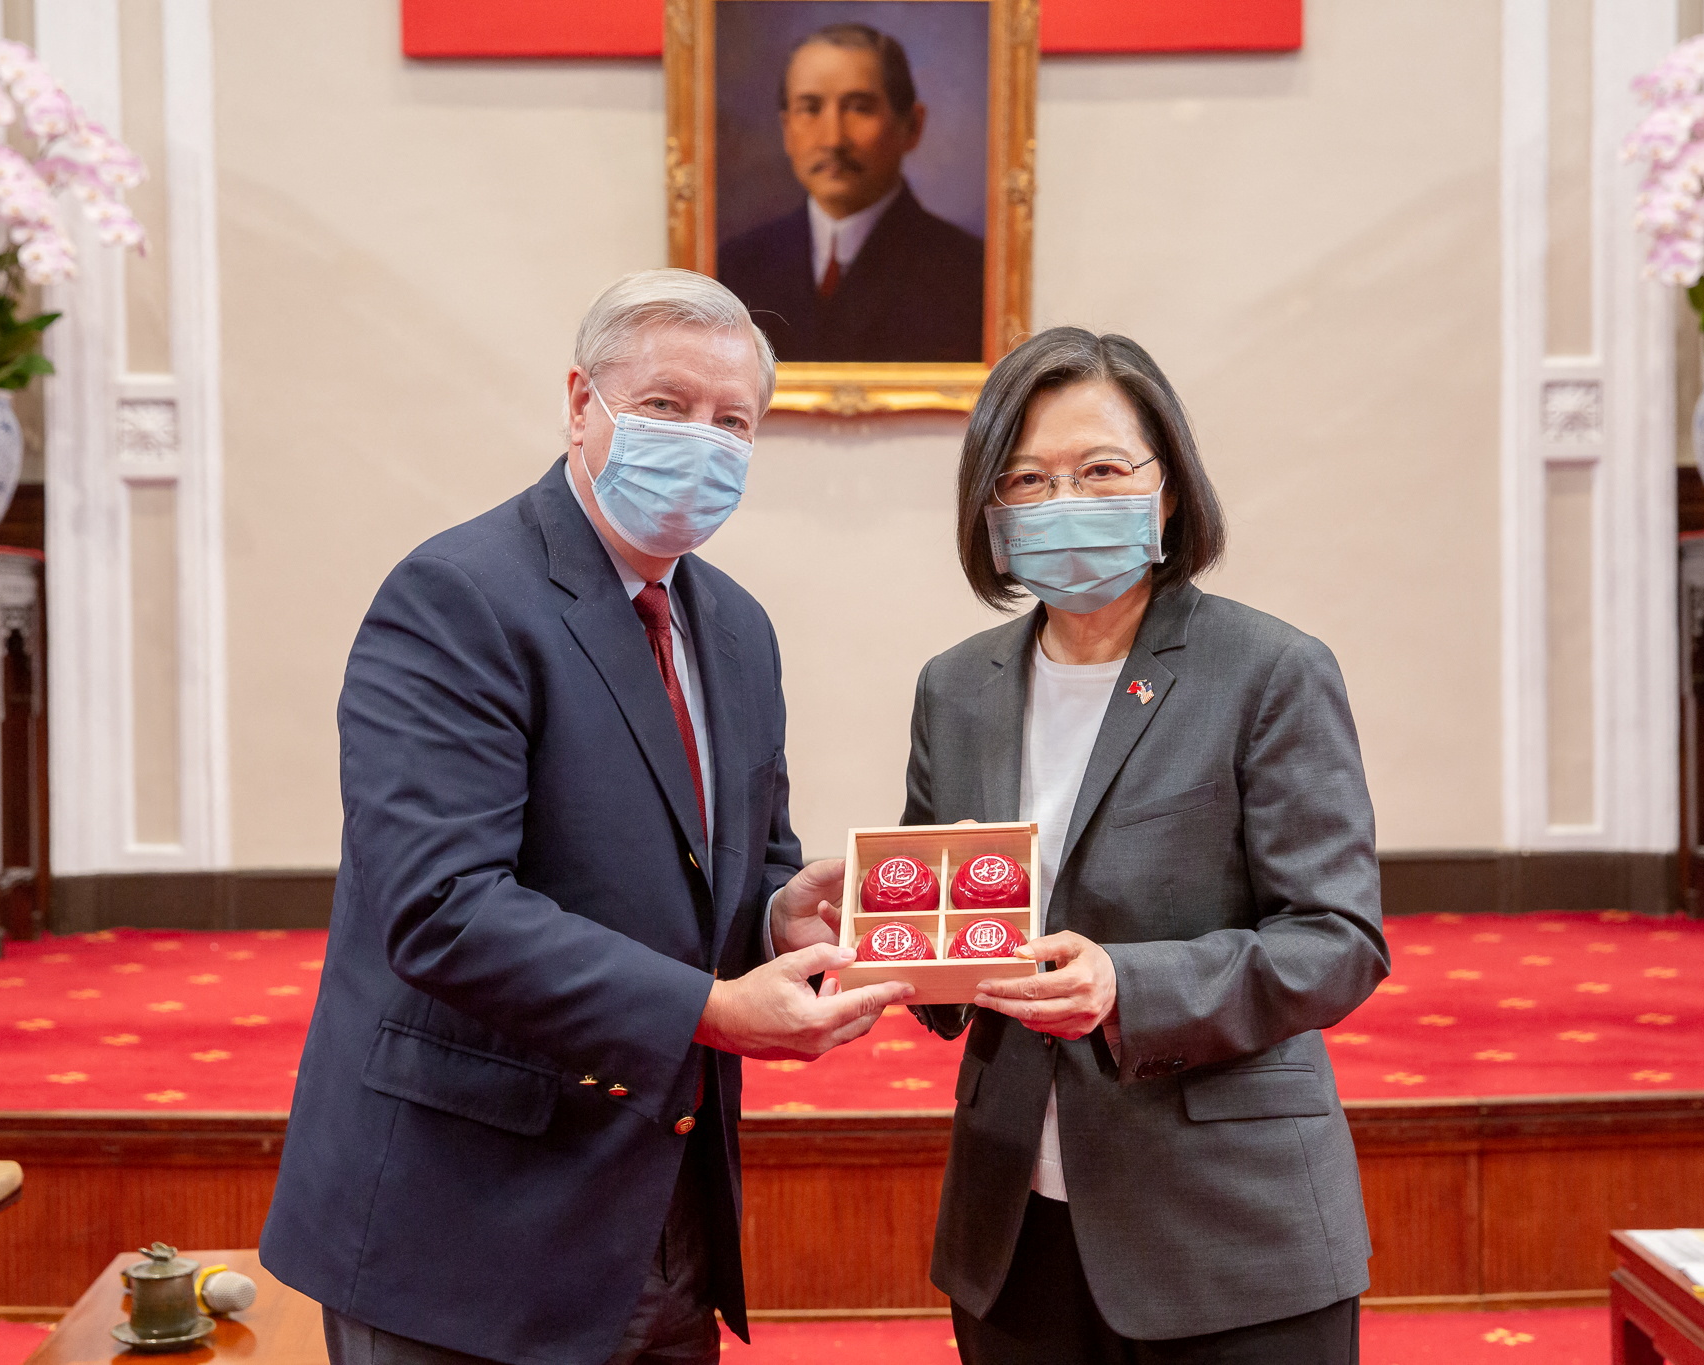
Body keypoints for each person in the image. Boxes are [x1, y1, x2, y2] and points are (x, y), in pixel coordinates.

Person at [260, 269, 914, 1365]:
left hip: (664, 1211)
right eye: (664, 407)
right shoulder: (456, 597)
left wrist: (775, 921)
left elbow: (726, 869)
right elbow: (442, 911)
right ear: (579, 404)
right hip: (466, 1229)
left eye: (732, 423)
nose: (700, 443)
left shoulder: (737, 629)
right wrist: (710, 1009)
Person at [906, 328, 1388, 1363]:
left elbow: (1336, 941)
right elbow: (943, 942)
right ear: (989, 511)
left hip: (1225, 1234)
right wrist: (887, 936)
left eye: (1100, 471)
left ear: (1164, 491)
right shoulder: (955, 687)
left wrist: (1126, 986)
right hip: (1011, 1226)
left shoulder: (1266, 672)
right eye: (1026, 478)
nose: (1062, 499)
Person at [716, 22, 984, 363]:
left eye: (859, 107)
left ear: (911, 126)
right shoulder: (738, 267)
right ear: (787, 130)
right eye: (810, 108)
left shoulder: (967, 274)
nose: (833, 139)